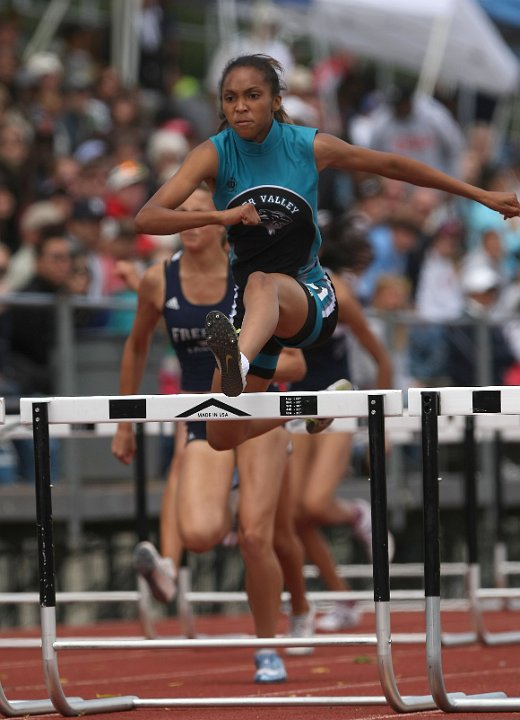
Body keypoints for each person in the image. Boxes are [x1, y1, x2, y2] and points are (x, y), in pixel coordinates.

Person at [134, 54, 520, 455]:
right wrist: (221, 214)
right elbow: (147, 218)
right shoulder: (214, 153)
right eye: (230, 98)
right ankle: (311, 404)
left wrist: (479, 193)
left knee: (265, 282)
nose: (241, 107)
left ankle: (239, 360)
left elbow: (392, 164)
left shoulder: (308, 146)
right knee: (219, 435)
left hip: (309, 299)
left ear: (276, 101)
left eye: (252, 96)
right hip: (254, 313)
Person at [112, 185, 312, 684]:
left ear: (224, 222)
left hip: (257, 405)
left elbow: (297, 359)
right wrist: (124, 421)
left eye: (202, 215)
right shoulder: (159, 280)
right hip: (204, 412)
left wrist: (244, 368)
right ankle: (173, 560)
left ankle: (269, 645)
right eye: (182, 216)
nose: (192, 224)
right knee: (201, 534)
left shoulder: (253, 275)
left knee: (258, 535)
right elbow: (136, 348)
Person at [287, 226, 394, 632]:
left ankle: (356, 514)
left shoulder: (338, 294)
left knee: (314, 504)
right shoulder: (268, 288)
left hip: (337, 401)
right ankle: (344, 599)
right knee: (296, 517)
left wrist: (377, 428)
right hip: (292, 407)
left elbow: (381, 359)